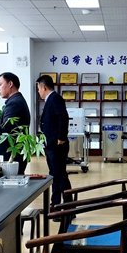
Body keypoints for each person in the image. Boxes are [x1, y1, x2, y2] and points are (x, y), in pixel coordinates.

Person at [0, 72, 31, 174]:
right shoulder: (17, 101)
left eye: (0, 84)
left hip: (10, 157)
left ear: (10, 84)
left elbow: (5, 129)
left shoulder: (14, 104)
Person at [36, 74, 72, 206]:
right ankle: (55, 204)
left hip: (57, 145)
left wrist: (61, 137)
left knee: (60, 176)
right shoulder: (50, 99)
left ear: (44, 87)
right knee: (54, 175)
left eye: (38, 89)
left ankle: (69, 206)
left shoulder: (55, 98)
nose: (38, 91)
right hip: (51, 144)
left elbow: (63, 117)